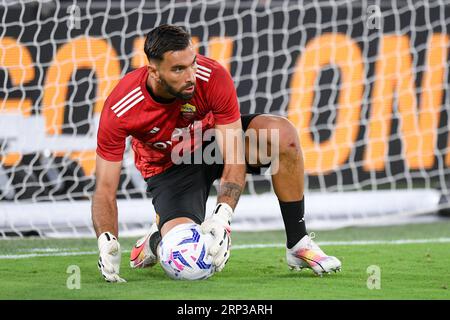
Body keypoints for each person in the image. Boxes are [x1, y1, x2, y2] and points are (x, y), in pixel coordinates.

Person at [92, 24, 341, 282]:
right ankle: (157, 239)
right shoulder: (121, 108)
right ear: (153, 71)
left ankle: (298, 244)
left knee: (283, 136)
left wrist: (222, 218)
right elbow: (104, 190)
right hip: (170, 168)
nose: (191, 76)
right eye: (178, 69)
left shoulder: (211, 76)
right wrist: (106, 239)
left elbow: (234, 156)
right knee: (190, 264)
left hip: (214, 145)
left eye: (192, 63)